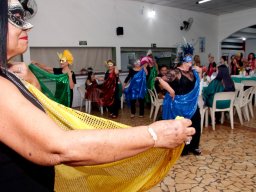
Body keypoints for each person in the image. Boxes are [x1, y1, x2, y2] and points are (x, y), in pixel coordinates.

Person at [0, 0, 195, 191]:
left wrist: (31, 80)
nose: (28, 27)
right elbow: (59, 147)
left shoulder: (9, 75)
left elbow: (36, 112)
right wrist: (153, 135)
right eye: (16, 17)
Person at [157, 43, 202, 156]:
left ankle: (194, 146)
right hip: (179, 105)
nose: (191, 64)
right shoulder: (175, 72)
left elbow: (198, 83)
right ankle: (182, 148)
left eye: (191, 61)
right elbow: (159, 80)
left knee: (196, 123)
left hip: (192, 104)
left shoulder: (193, 72)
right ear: (184, 62)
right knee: (181, 127)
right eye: (189, 62)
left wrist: (200, 72)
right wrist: (170, 91)